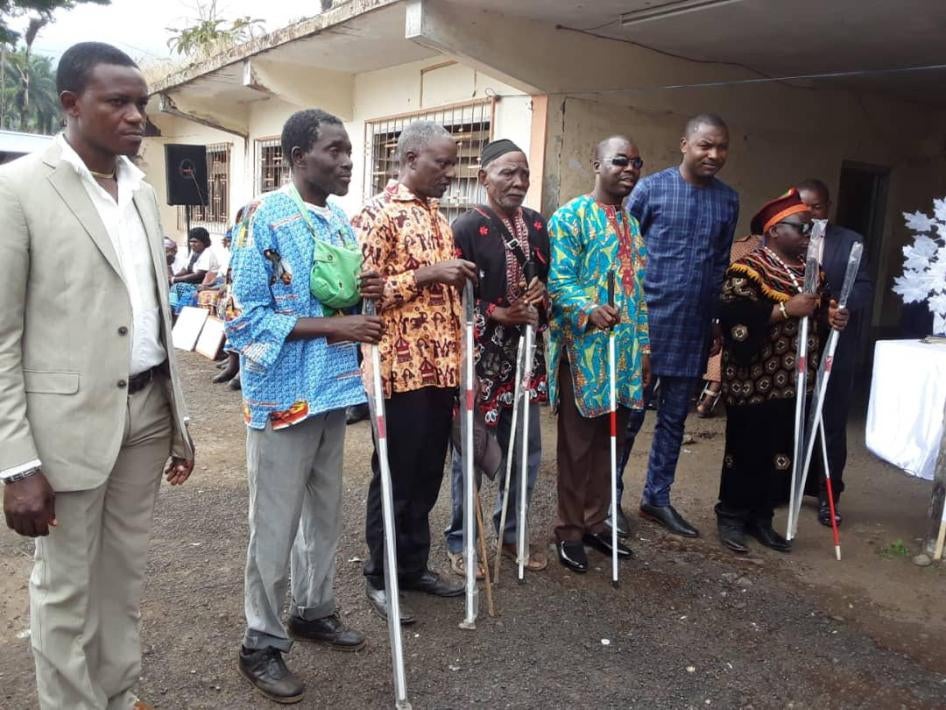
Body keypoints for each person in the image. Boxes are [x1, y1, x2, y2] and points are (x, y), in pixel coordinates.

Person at [0, 42, 195, 710]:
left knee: (122, 576)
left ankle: (119, 693)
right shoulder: (18, 190)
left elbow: (150, 309)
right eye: (118, 101)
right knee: (66, 589)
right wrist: (16, 463)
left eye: (141, 102)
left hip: (145, 414)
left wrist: (175, 418)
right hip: (65, 427)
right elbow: (3, 337)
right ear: (71, 104)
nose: (137, 115)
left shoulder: (141, 190)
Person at [225, 109, 383, 704]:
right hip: (283, 397)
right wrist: (338, 325)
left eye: (349, 151)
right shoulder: (262, 217)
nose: (347, 162)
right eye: (334, 150)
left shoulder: (339, 220)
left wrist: (365, 292)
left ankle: (312, 609)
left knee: (322, 512)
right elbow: (243, 318)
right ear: (297, 157)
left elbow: (337, 294)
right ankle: (260, 642)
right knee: (274, 523)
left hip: (332, 391)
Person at [355, 120, 478, 622]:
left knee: (428, 474)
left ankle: (412, 566)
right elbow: (361, 293)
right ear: (410, 159)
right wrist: (429, 274)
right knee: (395, 476)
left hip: (441, 367)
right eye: (442, 163)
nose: (450, 173)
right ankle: (380, 576)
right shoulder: (377, 214)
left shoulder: (437, 217)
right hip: (399, 369)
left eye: (453, 164)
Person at [618, 113, 739, 539]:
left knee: (674, 419)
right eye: (705, 145)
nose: (714, 154)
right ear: (685, 144)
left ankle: (657, 497)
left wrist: (716, 319)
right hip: (647, 325)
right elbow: (624, 253)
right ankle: (609, 500)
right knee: (631, 417)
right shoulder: (650, 189)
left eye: (721, 147)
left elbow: (720, 263)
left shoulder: (728, 200)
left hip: (694, 326)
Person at [715, 189, 848, 554]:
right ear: (774, 230)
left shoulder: (812, 272)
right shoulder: (748, 269)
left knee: (780, 452)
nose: (808, 234)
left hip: (793, 382)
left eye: (812, 228)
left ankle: (762, 517)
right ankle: (731, 515)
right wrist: (787, 310)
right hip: (752, 382)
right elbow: (734, 319)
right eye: (801, 227)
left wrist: (831, 316)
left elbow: (819, 311)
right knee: (746, 449)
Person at [445, 138, 550, 575]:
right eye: (508, 172)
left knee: (525, 451)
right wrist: (499, 313)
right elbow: (452, 298)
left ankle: (510, 534)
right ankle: (462, 542)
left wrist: (540, 297)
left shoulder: (538, 224)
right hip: (480, 359)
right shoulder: (466, 227)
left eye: (524, 173)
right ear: (483, 177)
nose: (518, 181)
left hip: (523, 356)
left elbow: (547, 285)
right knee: (471, 452)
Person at [547, 135, 651, 573]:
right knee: (577, 446)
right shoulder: (570, 217)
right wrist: (588, 309)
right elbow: (558, 281)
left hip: (624, 354)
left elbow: (639, 293)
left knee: (613, 440)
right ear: (597, 165)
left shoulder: (632, 224)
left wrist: (644, 347)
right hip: (584, 349)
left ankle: (596, 521)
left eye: (636, 163)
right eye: (619, 161)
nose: (629, 170)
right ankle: (569, 529)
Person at [797, 178, 874, 526]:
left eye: (817, 207)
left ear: (828, 207)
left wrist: (843, 305)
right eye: (804, 207)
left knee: (830, 422)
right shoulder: (786, 237)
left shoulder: (850, 241)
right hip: (793, 345)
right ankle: (785, 487)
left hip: (836, 346)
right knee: (790, 417)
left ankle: (829, 496)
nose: (810, 214)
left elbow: (864, 286)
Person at [695, 233, 762, 418]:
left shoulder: (737, 246)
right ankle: (709, 399)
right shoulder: (765, 250)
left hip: (724, 306)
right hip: (746, 312)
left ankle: (707, 399)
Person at [169, 226, 219, 314]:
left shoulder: (207, 254)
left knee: (178, 287)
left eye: (195, 241)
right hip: (194, 282)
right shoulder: (194, 252)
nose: (192, 244)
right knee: (172, 286)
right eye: (190, 241)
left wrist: (175, 279)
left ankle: (178, 312)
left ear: (203, 242)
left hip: (205, 284)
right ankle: (173, 309)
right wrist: (173, 277)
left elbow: (199, 274)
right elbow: (186, 269)